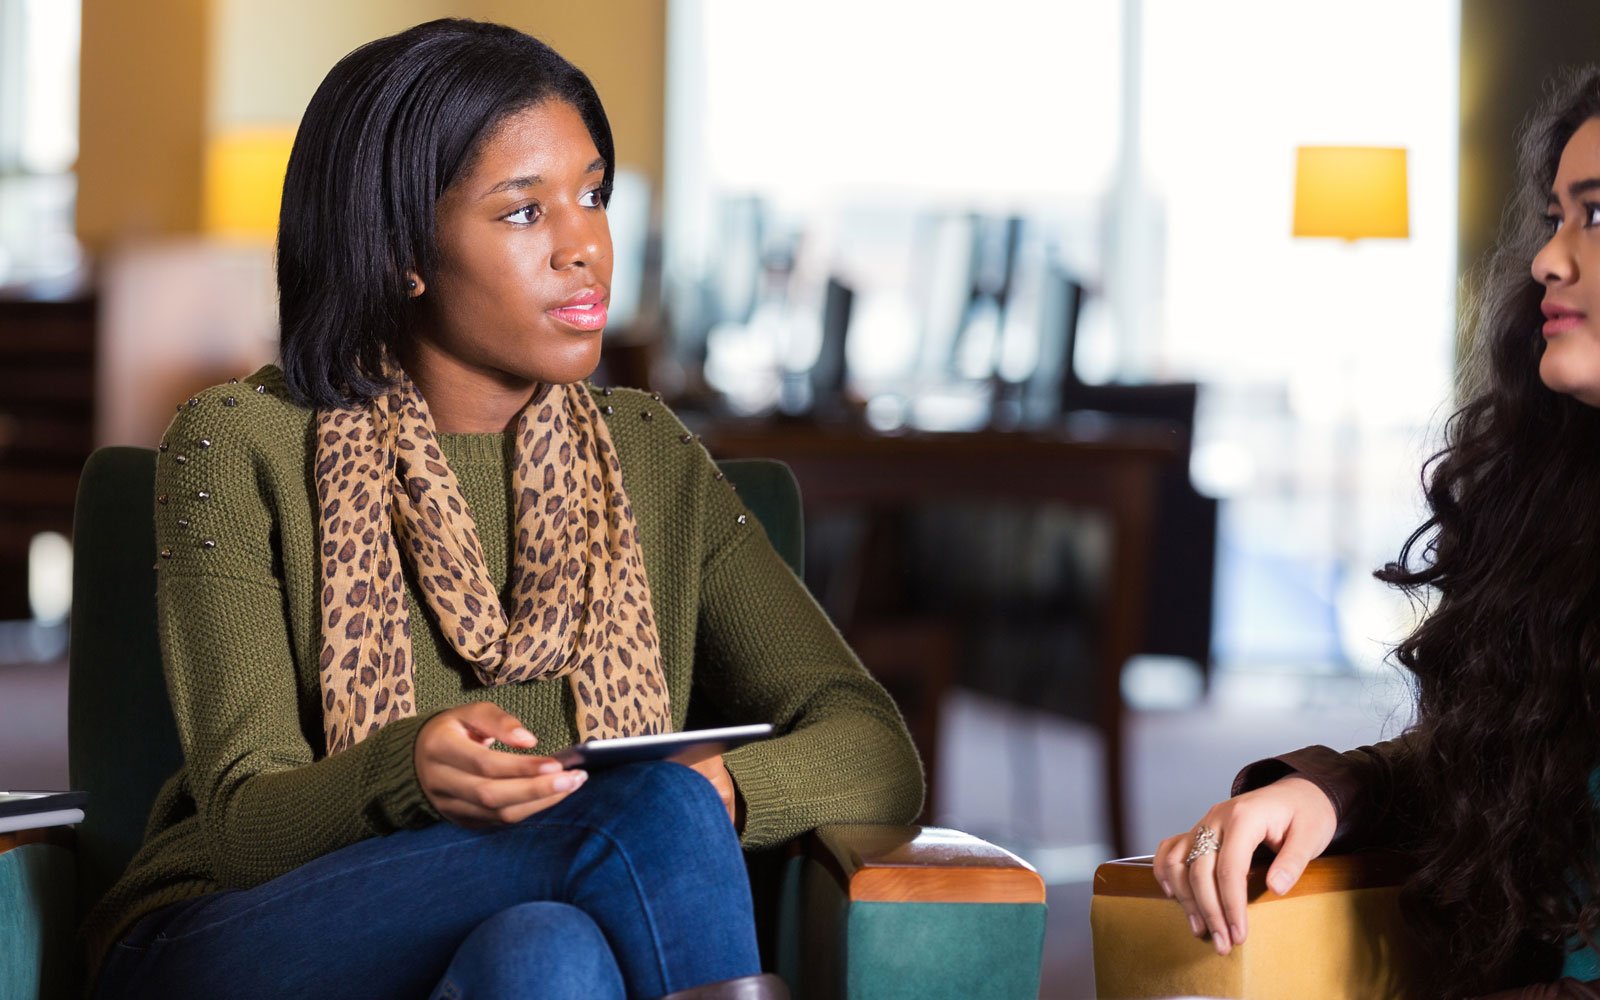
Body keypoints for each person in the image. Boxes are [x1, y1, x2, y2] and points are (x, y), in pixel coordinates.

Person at [83, 19, 922, 1000]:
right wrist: (404, 772)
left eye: (593, 194)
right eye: (524, 213)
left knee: (545, 953)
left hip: (522, 912)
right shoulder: (238, 439)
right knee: (637, 820)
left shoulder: (647, 455)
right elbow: (241, 821)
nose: (585, 247)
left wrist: (707, 796)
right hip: (230, 942)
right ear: (403, 249)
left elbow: (872, 745)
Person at [1155, 68, 1600, 1000]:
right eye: (1556, 216)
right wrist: (1323, 792)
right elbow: (1502, 760)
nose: (1548, 261)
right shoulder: (1560, 509)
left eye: (1594, 217)